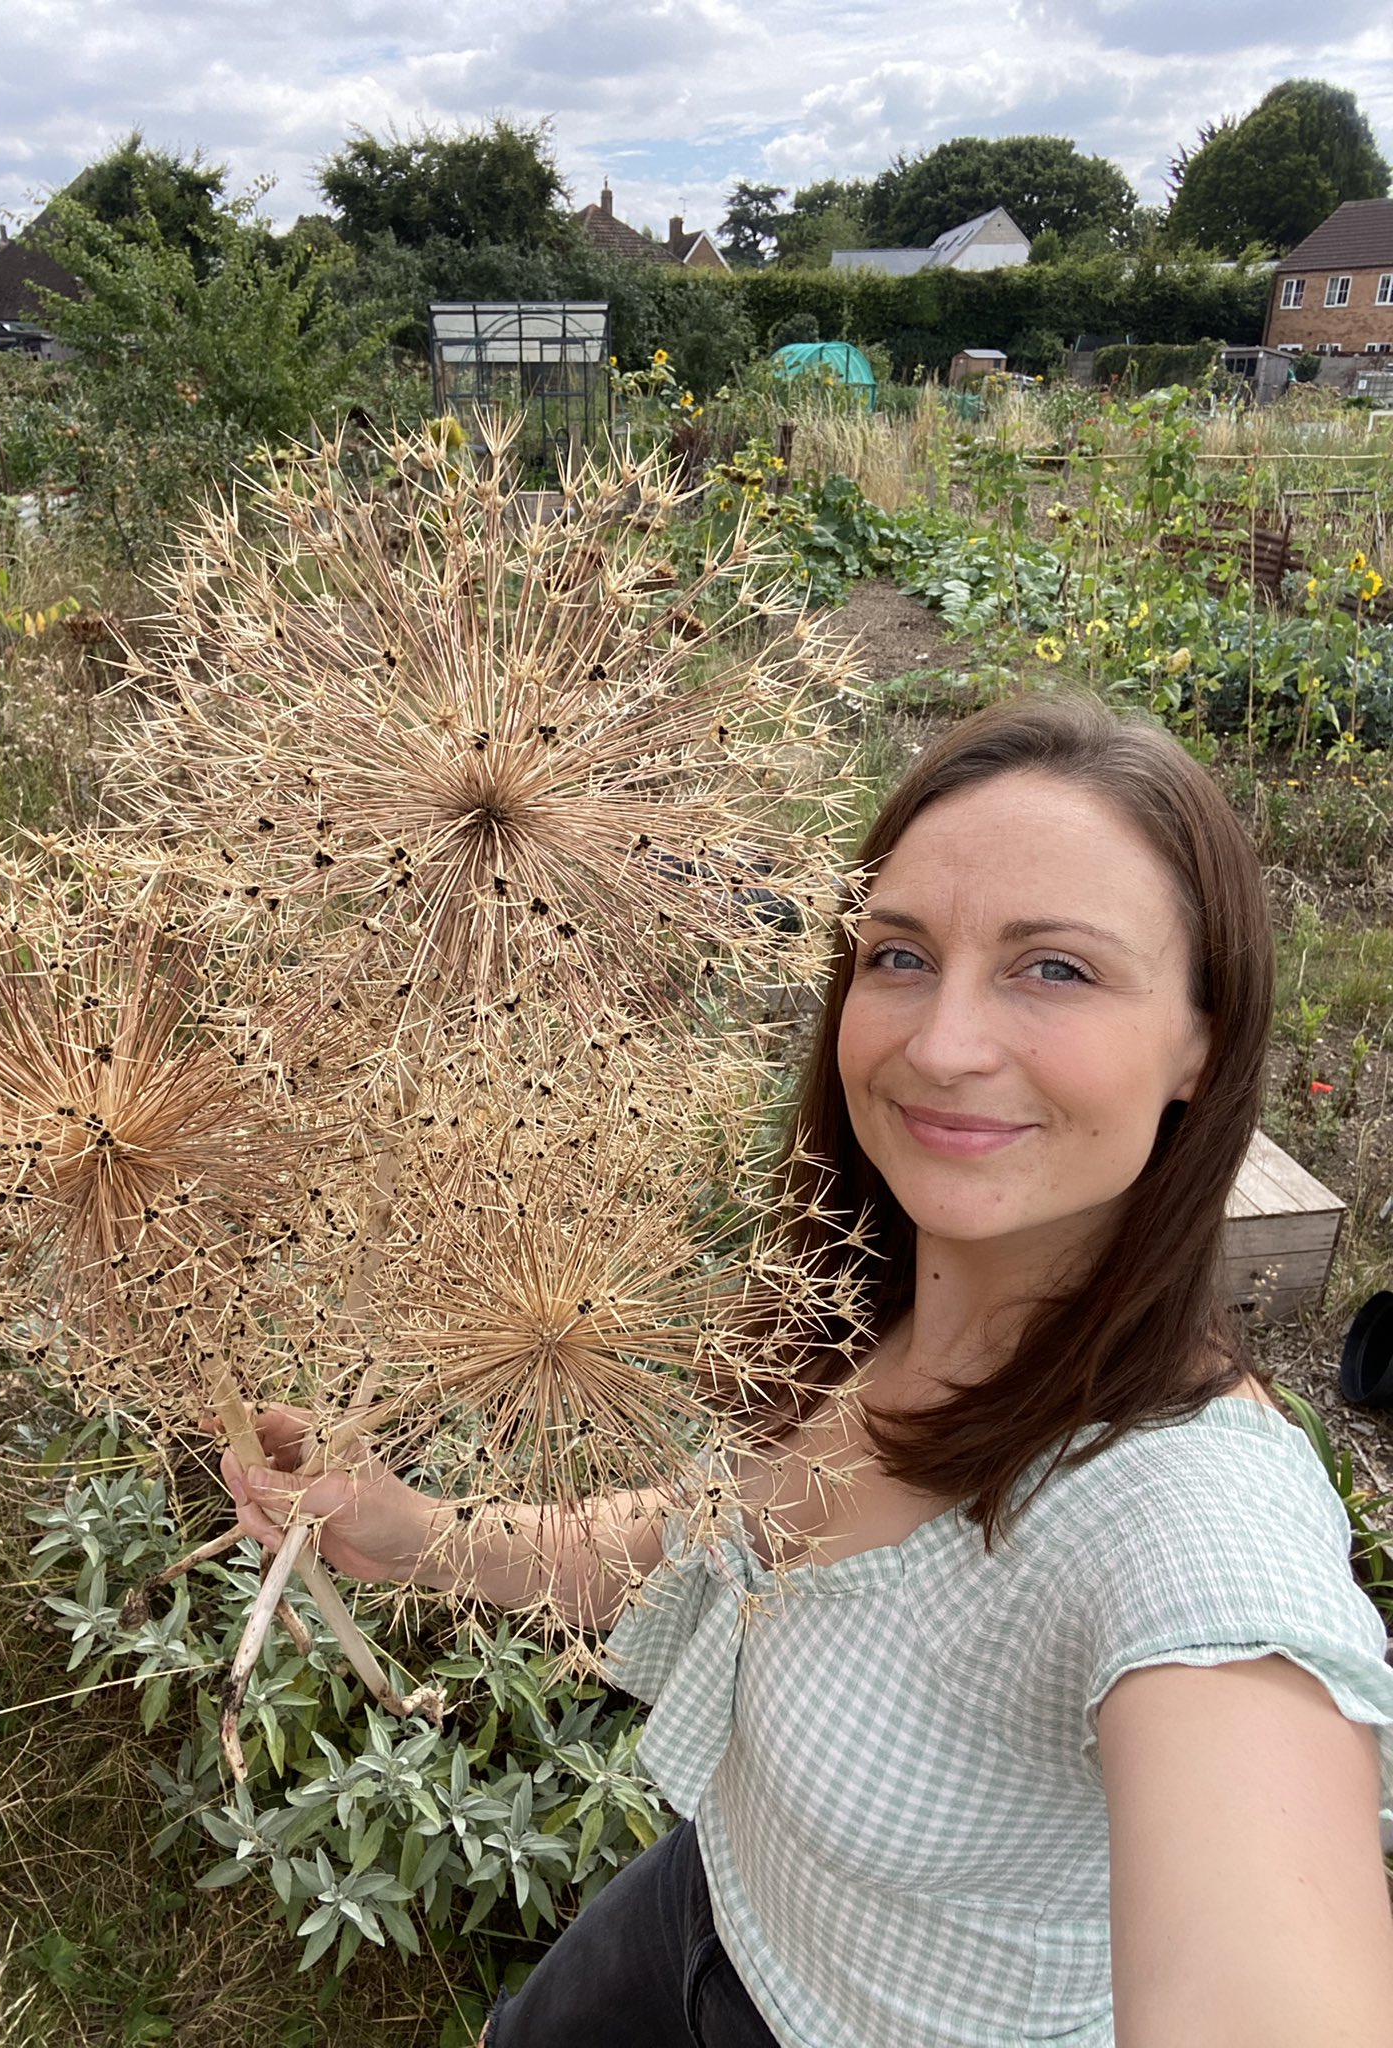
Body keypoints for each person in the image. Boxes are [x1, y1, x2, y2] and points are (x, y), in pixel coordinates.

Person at [223, 695, 1393, 2047]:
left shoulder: (1188, 1519)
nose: (941, 1043)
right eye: (899, 955)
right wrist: (416, 1534)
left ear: (1202, 1037)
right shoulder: (862, 1302)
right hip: (693, 1916)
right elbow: (707, 1540)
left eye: (1055, 968)